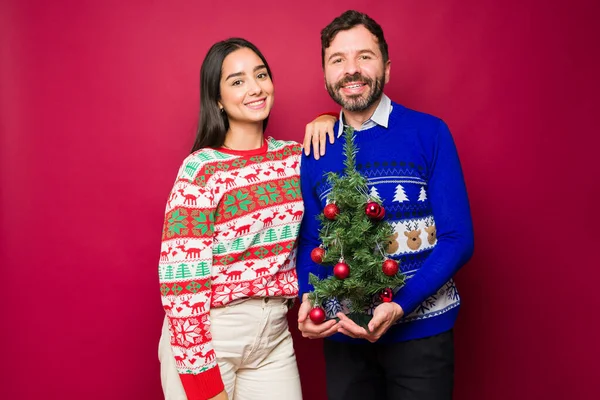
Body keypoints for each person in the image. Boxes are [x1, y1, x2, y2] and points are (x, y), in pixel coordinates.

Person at [296, 10, 475, 400]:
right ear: (326, 74)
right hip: (344, 337)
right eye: (338, 60)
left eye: (365, 56)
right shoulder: (315, 150)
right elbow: (312, 239)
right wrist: (308, 301)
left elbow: (458, 238)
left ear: (387, 68)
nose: (351, 70)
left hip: (421, 334)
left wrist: (402, 305)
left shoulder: (430, 132)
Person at [157, 38, 333, 400]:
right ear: (217, 99)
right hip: (211, 336)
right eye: (237, 81)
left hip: (272, 337)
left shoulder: (293, 158)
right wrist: (201, 378)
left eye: (261, 75)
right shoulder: (201, 169)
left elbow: (343, 172)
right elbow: (180, 282)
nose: (255, 88)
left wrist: (329, 120)